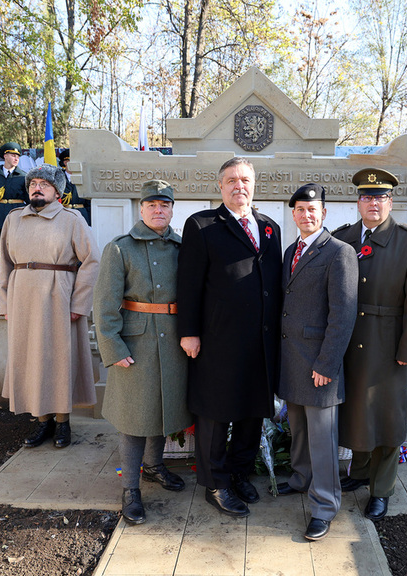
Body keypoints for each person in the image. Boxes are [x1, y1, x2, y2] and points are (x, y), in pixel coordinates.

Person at [177, 157, 283, 518]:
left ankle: (238, 473)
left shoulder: (269, 226)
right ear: (220, 186)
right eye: (232, 180)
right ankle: (216, 483)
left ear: (254, 185)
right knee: (216, 414)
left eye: (246, 180)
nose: (240, 186)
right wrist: (189, 332)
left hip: (261, 341)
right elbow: (188, 283)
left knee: (253, 412)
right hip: (217, 340)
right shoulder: (203, 225)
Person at [332, 167, 407, 521]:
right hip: (347, 342)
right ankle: (359, 474)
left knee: (386, 418)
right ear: (357, 201)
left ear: (391, 201)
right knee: (356, 411)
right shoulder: (342, 237)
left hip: (388, 344)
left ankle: (382, 489)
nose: (373, 203)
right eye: (366, 196)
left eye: (380, 197)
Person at [95, 180, 191, 525]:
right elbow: (104, 305)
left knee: (163, 407)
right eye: (151, 204)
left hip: (173, 341)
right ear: (141, 208)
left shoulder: (183, 248)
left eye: (164, 205)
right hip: (135, 343)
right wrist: (113, 347)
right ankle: (131, 489)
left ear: (171, 209)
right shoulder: (121, 248)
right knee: (134, 417)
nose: (157, 210)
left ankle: (154, 466)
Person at [0, 164, 100, 449]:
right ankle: (43, 422)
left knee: (59, 358)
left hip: (59, 298)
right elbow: (4, 263)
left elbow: (92, 261)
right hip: (22, 298)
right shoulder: (13, 219)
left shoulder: (72, 219)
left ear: (57, 191)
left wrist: (79, 303)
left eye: (44, 184)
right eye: (33, 184)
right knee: (30, 359)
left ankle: (64, 423)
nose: (37, 188)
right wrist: (4, 302)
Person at [276, 183, 357, 541]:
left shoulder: (340, 252)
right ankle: (300, 477)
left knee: (322, 438)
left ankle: (324, 506)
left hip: (320, 363)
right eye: (300, 210)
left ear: (324, 213)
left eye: (313, 210)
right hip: (292, 359)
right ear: (293, 214)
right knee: (298, 428)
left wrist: (327, 364)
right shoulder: (291, 249)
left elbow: (343, 314)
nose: (306, 215)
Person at [0, 142, 29, 250]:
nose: (16, 158)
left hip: (17, 215)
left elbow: (29, 200)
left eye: (18, 156)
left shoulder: (23, 176)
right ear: (5, 156)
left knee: (17, 247)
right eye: (13, 155)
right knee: (1, 247)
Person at [58, 149, 91, 226]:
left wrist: (89, 219)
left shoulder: (84, 177)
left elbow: (88, 202)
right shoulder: (58, 177)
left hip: (81, 214)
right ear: (65, 162)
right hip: (63, 213)